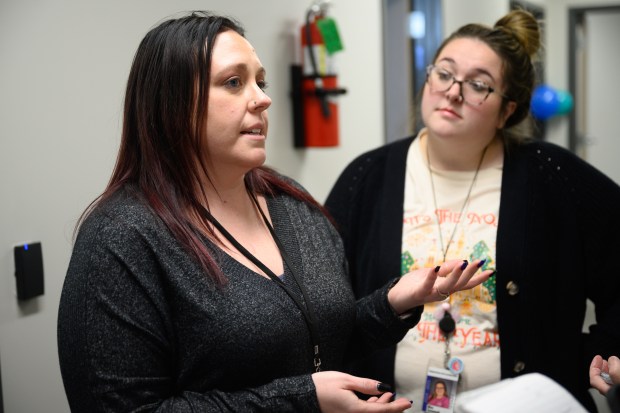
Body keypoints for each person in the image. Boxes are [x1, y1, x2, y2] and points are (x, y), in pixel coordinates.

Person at [56, 11, 492, 413]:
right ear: (172, 103)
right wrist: (303, 400)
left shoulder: (293, 205)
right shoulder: (122, 238)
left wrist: (393, 303)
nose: (262, 99)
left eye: (260, 82)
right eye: (233, 82)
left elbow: (324, 344)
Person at [325, 8, 620, 412]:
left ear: (507, 110)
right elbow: (325, 303)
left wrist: (605, 345)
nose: (453, 91)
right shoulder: (367, 176)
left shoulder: (552, 176)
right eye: (444, 73)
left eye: (478, 85)